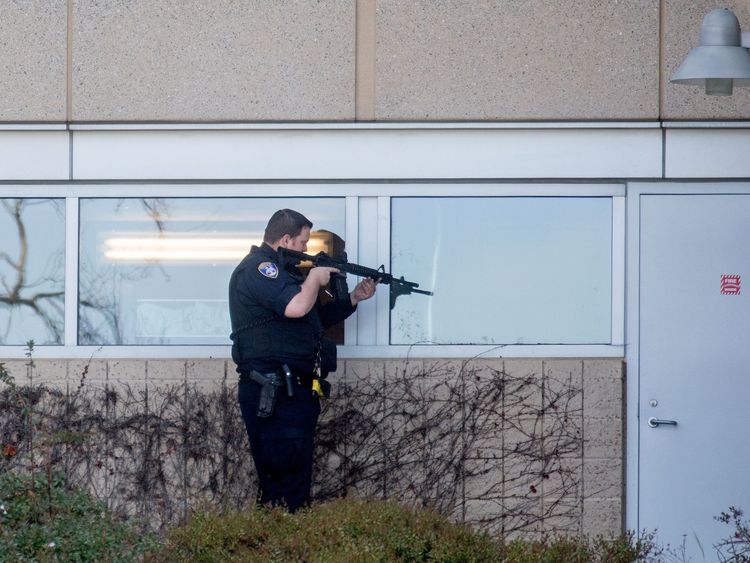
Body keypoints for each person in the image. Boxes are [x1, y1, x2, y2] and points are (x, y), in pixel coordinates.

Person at [228, 208, 376, 512]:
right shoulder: (260, 269)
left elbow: (311, 319)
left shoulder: (284, 274)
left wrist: (353, 299)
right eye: (302, 243)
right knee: (284, 484)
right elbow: (296, 307)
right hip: (274, 390)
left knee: (294, 481)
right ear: (285, 239)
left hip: (291, 392)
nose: (305, 250)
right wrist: (314, 280)